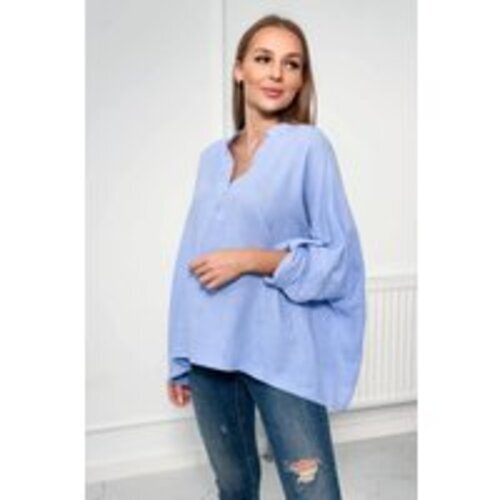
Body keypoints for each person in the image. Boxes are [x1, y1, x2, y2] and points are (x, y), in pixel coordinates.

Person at [165, 14, 366, 500]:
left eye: (291, 64)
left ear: (301, 79)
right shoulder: (211, 158)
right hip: (210, 349)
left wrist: (252, 259)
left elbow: (340, 261)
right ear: (240, 70)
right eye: (263, 59)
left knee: (314, 492)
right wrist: (178, 354)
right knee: (234, 488)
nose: (277, 73)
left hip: (281, 351)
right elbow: (189, 258)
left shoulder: (310, 148)